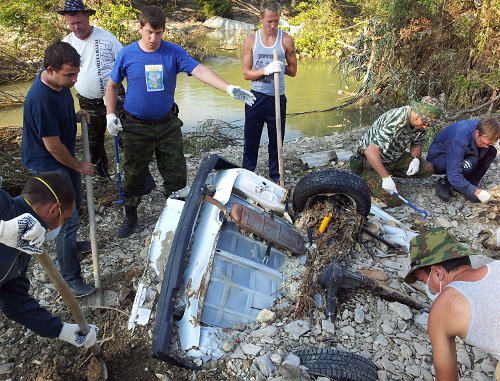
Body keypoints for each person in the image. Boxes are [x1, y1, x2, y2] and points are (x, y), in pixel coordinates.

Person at [105, 5, 256, 238]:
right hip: (135, 127)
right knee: (133, 173)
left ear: (164, 30)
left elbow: (200, 71)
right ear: (140, 28)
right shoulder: (127, 54)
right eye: (149, 32)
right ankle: (131, 214)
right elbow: (113, 84)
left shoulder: (173, 52)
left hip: (167, 125)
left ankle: (175, 212)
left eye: (158, 33)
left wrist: (228, 88)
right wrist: (110, 114)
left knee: (176, 175)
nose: (153, 38)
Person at [21, 41, 96, 297]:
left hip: (62, 159)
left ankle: (71, 247)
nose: (75, 80)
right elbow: (52, 145)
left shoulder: (57, 83)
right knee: (67, 220)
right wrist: (80, 166)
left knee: (74, 207)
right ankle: (71, 278)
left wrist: (74, 115)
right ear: (51, 69)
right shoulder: (40, 98)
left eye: (76, 73)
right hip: (50, 164)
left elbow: (57, 114)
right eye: (69, 75)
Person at [0, 173, 99, 348]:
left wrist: (60, 330)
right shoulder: (4, 207)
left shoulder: (23, 249)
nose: (62, 224)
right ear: (54, 210)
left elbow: (15, 301)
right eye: (65, 218)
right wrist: (2, 230)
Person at [404, 227, 500, 381]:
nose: (427, 288)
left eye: (423, 281)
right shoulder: (497, 266)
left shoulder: (443, 307)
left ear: (437, 272)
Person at [56, 0, 123, 179]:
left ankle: (138, 173)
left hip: (116, 95)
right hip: (87, 100)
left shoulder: (107, 38)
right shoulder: (66, 45)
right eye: (72, 24)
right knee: (94, 142)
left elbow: (126, 65)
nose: (76, 27)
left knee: (127, 134)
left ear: (88, 17)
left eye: (80, 22)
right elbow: (58, 79)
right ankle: (102, 176)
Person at [242, 0, 297, 182]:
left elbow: (293, 71)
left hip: (276, 97)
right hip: (255, 97)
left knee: (276, 141)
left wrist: (280, 67)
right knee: (251, 141)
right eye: (269, 21)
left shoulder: (286, 40)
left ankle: (276, 176)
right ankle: (247, 175)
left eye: (276, 21)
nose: (273, 25)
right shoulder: (251, 40)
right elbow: (246, 73)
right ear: (261, 19)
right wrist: (265, 70)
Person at [354, 96, 443, 206]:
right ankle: (367, 175)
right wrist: (385, 178)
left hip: (394, 156)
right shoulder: (397, 120)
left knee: (428, 169)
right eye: (425, 123)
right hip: (371, 160)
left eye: (428, 125)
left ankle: (389, 172)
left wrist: (416, 159)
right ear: (418, 113)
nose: (425, 127)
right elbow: (370, 151)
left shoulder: (420, 125)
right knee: (394, 200)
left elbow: (417, 143)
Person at [427, 118, 500, 203]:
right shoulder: (459, 140)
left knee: (491, 151)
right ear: (477, 133)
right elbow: (454, 176)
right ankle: (444, 183)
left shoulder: (486, 125)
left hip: (461, 149)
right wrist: (477, 192)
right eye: (484, 143)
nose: (486, 145)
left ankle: (469, 183)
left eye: (489, 143)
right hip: (439, 158)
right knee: (470, 163)